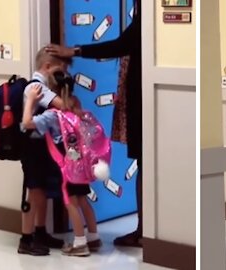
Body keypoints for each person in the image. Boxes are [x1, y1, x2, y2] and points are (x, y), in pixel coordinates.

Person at [45, 0, 143, 247]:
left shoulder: (146, 19)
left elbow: (121, 44)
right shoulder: (79, 111)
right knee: (144, 165)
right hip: (137, 101)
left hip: (142, 100)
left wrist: (75, 51)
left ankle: (139, 231)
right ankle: (113, 234)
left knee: (146, 164)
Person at [22, 72, 102, 257]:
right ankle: (93, 237)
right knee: (83, 199)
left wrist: (31, 100)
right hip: (82, 161)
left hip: (67, 166)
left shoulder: (52, 114)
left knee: (71, 202)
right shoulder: (76, 105)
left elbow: (27, 123)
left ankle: (80, 243)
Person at [17, 48, 69, 256]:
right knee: (35, 191)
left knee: (42, 191)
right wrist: (63, 86)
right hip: (32, 147)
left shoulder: (41, 85)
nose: (62, 74)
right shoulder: (37, 87)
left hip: (39, 145)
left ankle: (40, 232)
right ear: (47, 67)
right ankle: (26, 238)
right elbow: (63, 105)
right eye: (59, 70)